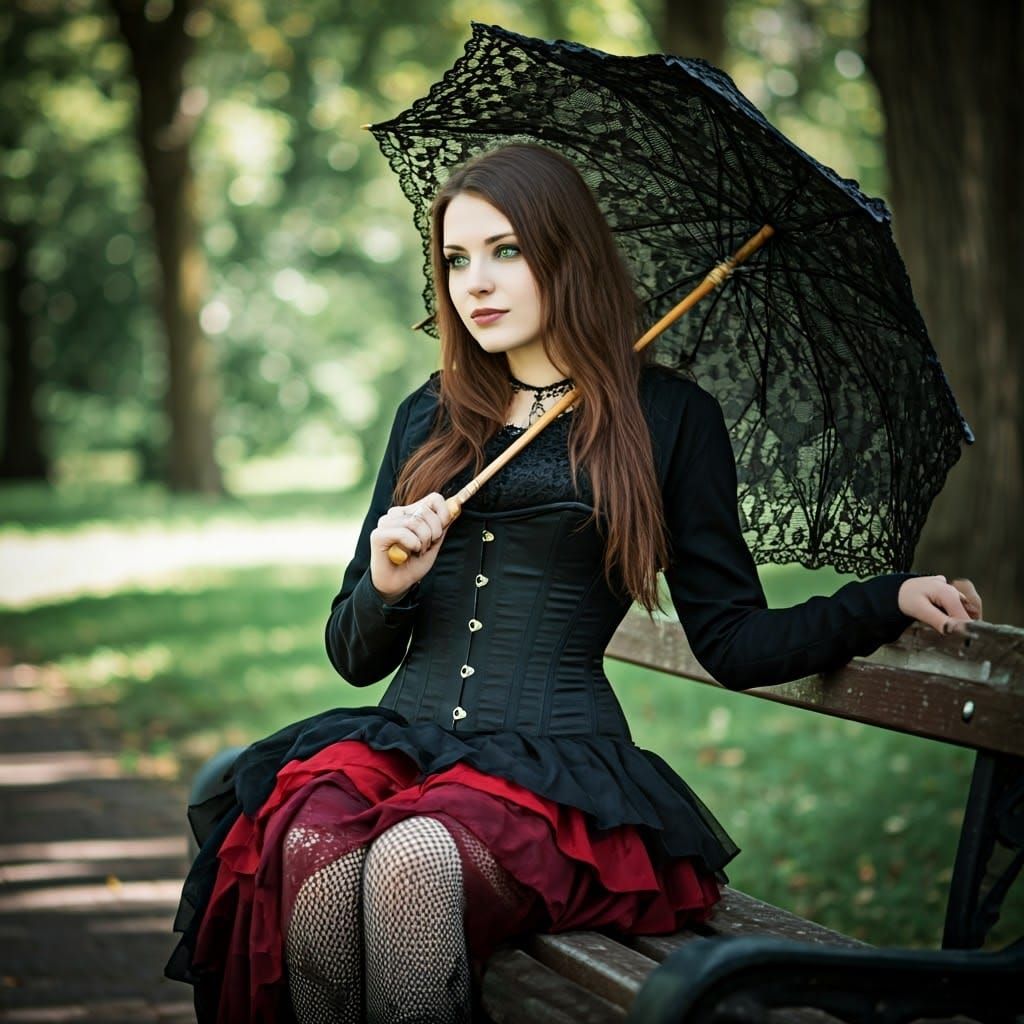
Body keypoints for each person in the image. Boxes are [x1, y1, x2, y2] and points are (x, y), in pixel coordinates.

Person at [166, 144, 983, 1023]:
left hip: (547, 777)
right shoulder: (427, 416)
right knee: (319, 868)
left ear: (568, 255)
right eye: (455, 259)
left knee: (410, 866)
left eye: (507, 250)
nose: (474, 281)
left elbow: (736, 642)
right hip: (401, 748)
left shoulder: (666, 419)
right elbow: (353, 656)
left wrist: (880, 598)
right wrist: (385, 584)